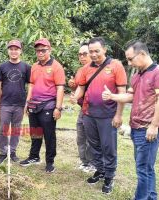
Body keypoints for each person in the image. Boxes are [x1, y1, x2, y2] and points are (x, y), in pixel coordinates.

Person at [102, 41, 159, 199]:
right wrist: (113, 96)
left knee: (143, 170)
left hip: (148, 131)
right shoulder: (138, 75)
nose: (129, 63)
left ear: (142, 54)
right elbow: (131, 96)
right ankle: (151, 197)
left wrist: (154, 126)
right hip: (137, 129)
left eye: (131, 59)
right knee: (146, 168)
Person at [71, 37, 127, 194]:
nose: (93, 54)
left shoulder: (116, 66)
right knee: (94, 146)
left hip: (108, 115)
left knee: (108, 147)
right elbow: (81, 88)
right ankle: (100, 170)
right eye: (91, 52)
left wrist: (119, 115)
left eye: (97, 51)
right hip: (89, 114)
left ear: (104, 49)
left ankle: (109, 176)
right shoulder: (86, 68)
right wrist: (75, 96)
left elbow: (122, 93)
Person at [19, 38, 65, 173]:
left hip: (49, 105)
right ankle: (34, 157)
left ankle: (50, 162)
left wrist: (58, 108)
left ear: (49, 50)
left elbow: (60, 88)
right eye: (38, 51)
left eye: (43, 50)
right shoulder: (34, 66)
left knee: (49, 135)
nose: (40, 53)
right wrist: (27, 102)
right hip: (34, 105)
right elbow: (31, 85)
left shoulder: (57, 67)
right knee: (35, 133)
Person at [0, 40, 31, 164]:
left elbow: (31, 85)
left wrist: (27, 102)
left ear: (20, 51)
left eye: (16, 49)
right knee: (3, 129)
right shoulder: (2, 67)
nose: (14, 51)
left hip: (20, 104)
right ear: (8, 51)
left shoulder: (26, 67)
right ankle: (3, 153)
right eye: (11, 49)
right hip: (5, 104)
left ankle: (13, 152)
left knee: (16, 129)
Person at [68, 43, 96, 173]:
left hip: (94, 110)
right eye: (80, 54)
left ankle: (93, 163)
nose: (82, 56)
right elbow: (80, 89)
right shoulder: (80, 71)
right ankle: (84, 162)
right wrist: (73, 87)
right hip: (82, 109)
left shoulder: (97, 70)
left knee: (92, 138)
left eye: (85, 53)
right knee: (81, 137)